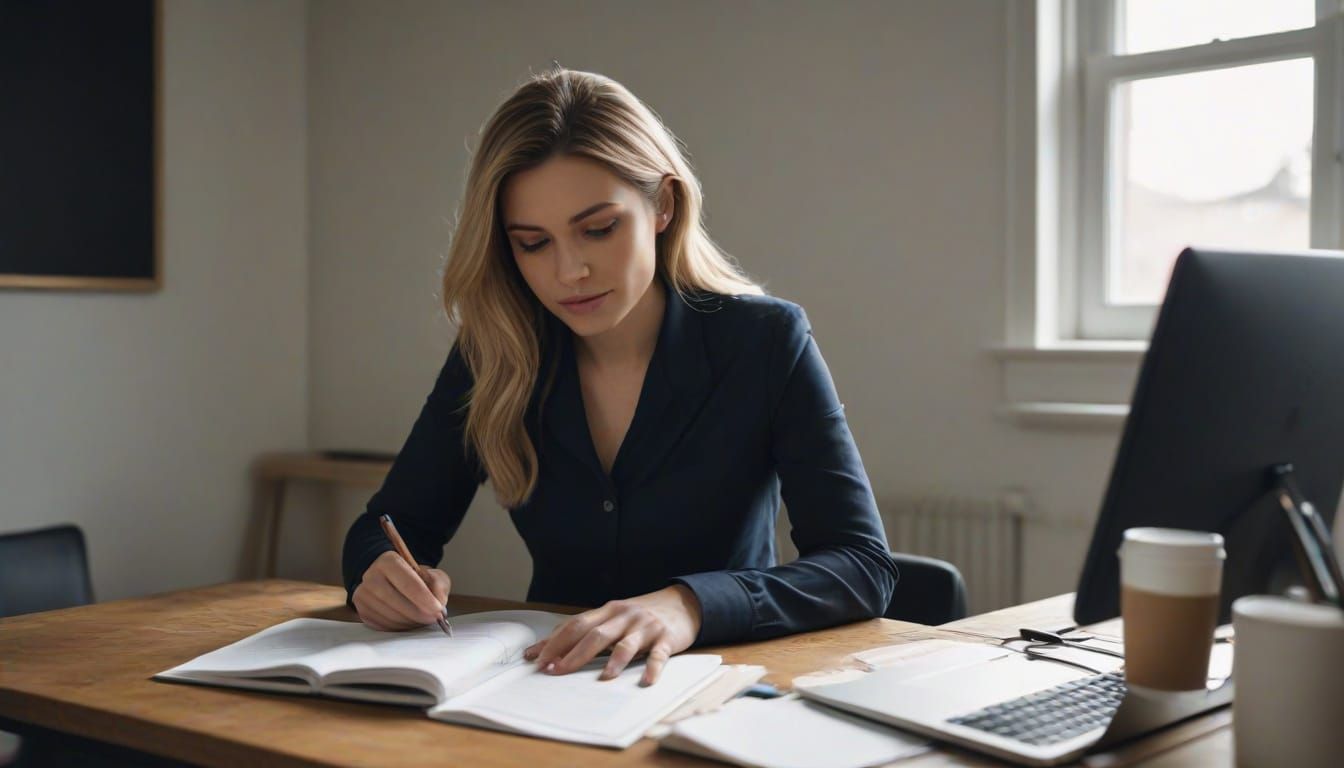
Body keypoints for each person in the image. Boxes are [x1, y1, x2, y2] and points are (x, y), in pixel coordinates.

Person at [341, 67, 896, 686]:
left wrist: (689, 604)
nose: (569, 271)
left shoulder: (765, 341)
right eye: (532, 243)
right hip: (544, 688)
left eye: (598, 229)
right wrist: (379, 573)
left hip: (714, 687)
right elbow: (391, 525)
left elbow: (860, 565)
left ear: (663, 203)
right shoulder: (494, 351)